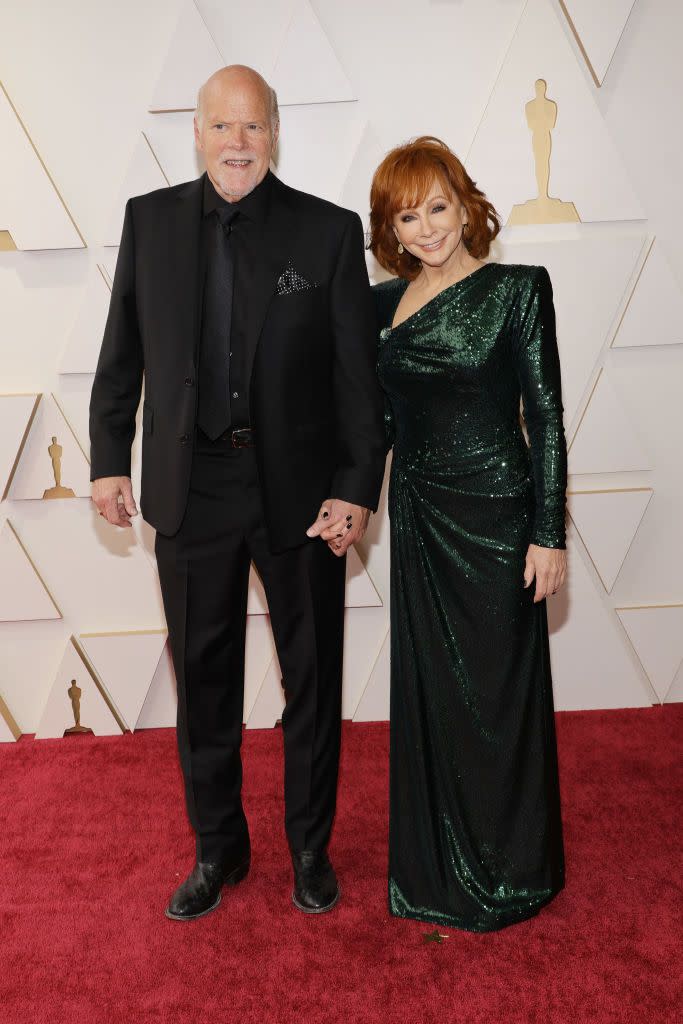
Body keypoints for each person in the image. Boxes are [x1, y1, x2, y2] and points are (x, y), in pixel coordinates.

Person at [89, 65, 385, 921]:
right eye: (222, 126)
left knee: (312, 681)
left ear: (275, 133)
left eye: (252, 127)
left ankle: (308, 849)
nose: (237, 143)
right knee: (204, 682)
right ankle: (219, 849)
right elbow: (122, 353)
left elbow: (356, 384)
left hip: (301, 495)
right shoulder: (150, 222)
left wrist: (356, 488)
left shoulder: (326, 233)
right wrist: (110, 455)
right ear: (196, 131)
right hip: (194, 488)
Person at [370, 136, 567, 931]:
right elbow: (376, 419)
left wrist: (548, 532)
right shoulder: (381, 305)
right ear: (390, 227)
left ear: (465, 203)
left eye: (437, 208)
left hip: (498, 521)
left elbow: (545, 415)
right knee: (435, 697)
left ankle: (514, 871)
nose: (426, 229)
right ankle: (435, 871)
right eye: (406, 216)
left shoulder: (518, 290)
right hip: (420, 517)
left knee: (499, 697)